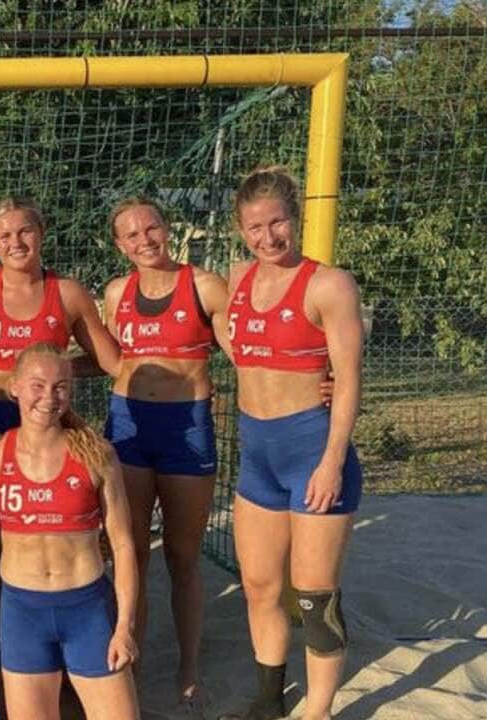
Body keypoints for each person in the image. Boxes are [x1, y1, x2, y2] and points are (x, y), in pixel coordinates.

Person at [223, 167, 364, 720]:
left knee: (313, 593)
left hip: (311, 448)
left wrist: (331, 461)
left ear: (295, 217)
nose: (268, 237)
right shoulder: (236, 278)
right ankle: (268, 699)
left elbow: (350, 378)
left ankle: (318, 709)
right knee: (259, 585)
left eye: (277, 221)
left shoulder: (329, 284)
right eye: (255, 227)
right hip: (257, 452)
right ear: (240, 229)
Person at [0, 196, 122, 664]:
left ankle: (77, 641)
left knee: (69, 530)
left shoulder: (67, 293)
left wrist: (58, 375)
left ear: (41, 233)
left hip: (50, 422)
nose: (16, 242)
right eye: (5, 235)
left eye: (24, 231)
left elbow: (112, 362)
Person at [100, 197, 229, 713]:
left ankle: (189, 666)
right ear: (119, 244)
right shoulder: (116, 292)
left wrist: (318, 375)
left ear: (166, 228)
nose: (144, 240)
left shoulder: (205, 286)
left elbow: (246, 351)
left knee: (182, 555)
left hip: (186, 429)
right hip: (129, 425)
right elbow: (109, 358)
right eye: (131, 235)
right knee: (128, 550)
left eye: (150, 228)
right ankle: (128, 657)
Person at [0, 342, 139, 720]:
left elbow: (124, 544)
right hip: (23, 612)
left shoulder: (96, 454)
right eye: (38, 385)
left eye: (60, 387)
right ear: (14, 386)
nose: (49, 398)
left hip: (87, 610)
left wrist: (124, 626)